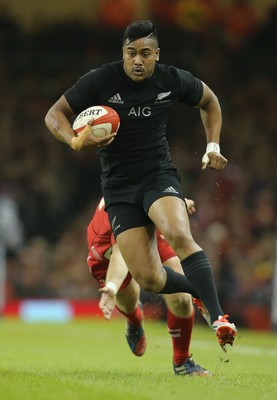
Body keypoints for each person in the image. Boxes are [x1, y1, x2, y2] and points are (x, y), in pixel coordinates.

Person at [45, 20, 237, 351]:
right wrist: (75, 142)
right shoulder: (102, 79)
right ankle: (198, 292)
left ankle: (218, 316)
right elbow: (55, 114)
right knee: (149, 278)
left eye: (145, 53)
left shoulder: (171, 79)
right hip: (118, 188)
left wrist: (213, 146)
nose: (137, 60)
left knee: (179, 236)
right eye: (131, 53)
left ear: (156, 55)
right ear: (123, 53)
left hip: (157, 175)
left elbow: (210, 102)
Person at [87, 196, 210, 376]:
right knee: (128, 302)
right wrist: (112, 286)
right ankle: (134, 320)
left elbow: (156, 190)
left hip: (148, 228)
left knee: (183, 299)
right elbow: (120, 255)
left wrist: (179, 202)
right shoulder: (122, 203)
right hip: (108, 248)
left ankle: (182, 361)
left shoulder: (143, 178)